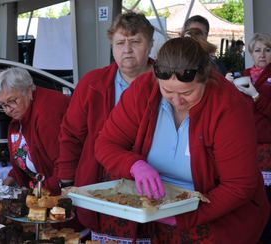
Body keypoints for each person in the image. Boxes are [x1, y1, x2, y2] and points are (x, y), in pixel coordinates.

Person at [95, 37, 270, 243]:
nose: (177, 101)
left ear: (205, 78)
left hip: (215, 214)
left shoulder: (229, 106)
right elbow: (106, 144)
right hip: (153, 209)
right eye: (167, 91)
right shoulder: (143, 89)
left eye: (187, 92)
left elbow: (239, 185)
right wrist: (134, 164)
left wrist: (184, 216)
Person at [57, 11, 155, 242]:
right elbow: (71, 135)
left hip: (152, 182)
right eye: (120, 43)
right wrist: (67, 180)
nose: (127, 49)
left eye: (135, 42)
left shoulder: (167, 81)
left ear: (150, 45)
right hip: (99, 183)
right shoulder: (92, 83)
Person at [0, 67, 69, 195]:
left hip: (58, 193)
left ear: (28, 91)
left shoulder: (47, 114)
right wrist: (12, 176)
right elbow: (27, 153)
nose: (8, 110)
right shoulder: (23, 113)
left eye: (12, 101)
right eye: (3, 105)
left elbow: (65, 167)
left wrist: (37, 194)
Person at [230, 33, 271, 242]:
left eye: (267, 49)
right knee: (248, 196)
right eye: (258, 50)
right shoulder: (242, 74)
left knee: (268, 197)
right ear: (251, 53)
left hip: (268, 148)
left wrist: (256, 96)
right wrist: (228, 87)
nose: (262, 54)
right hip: (246, 146)